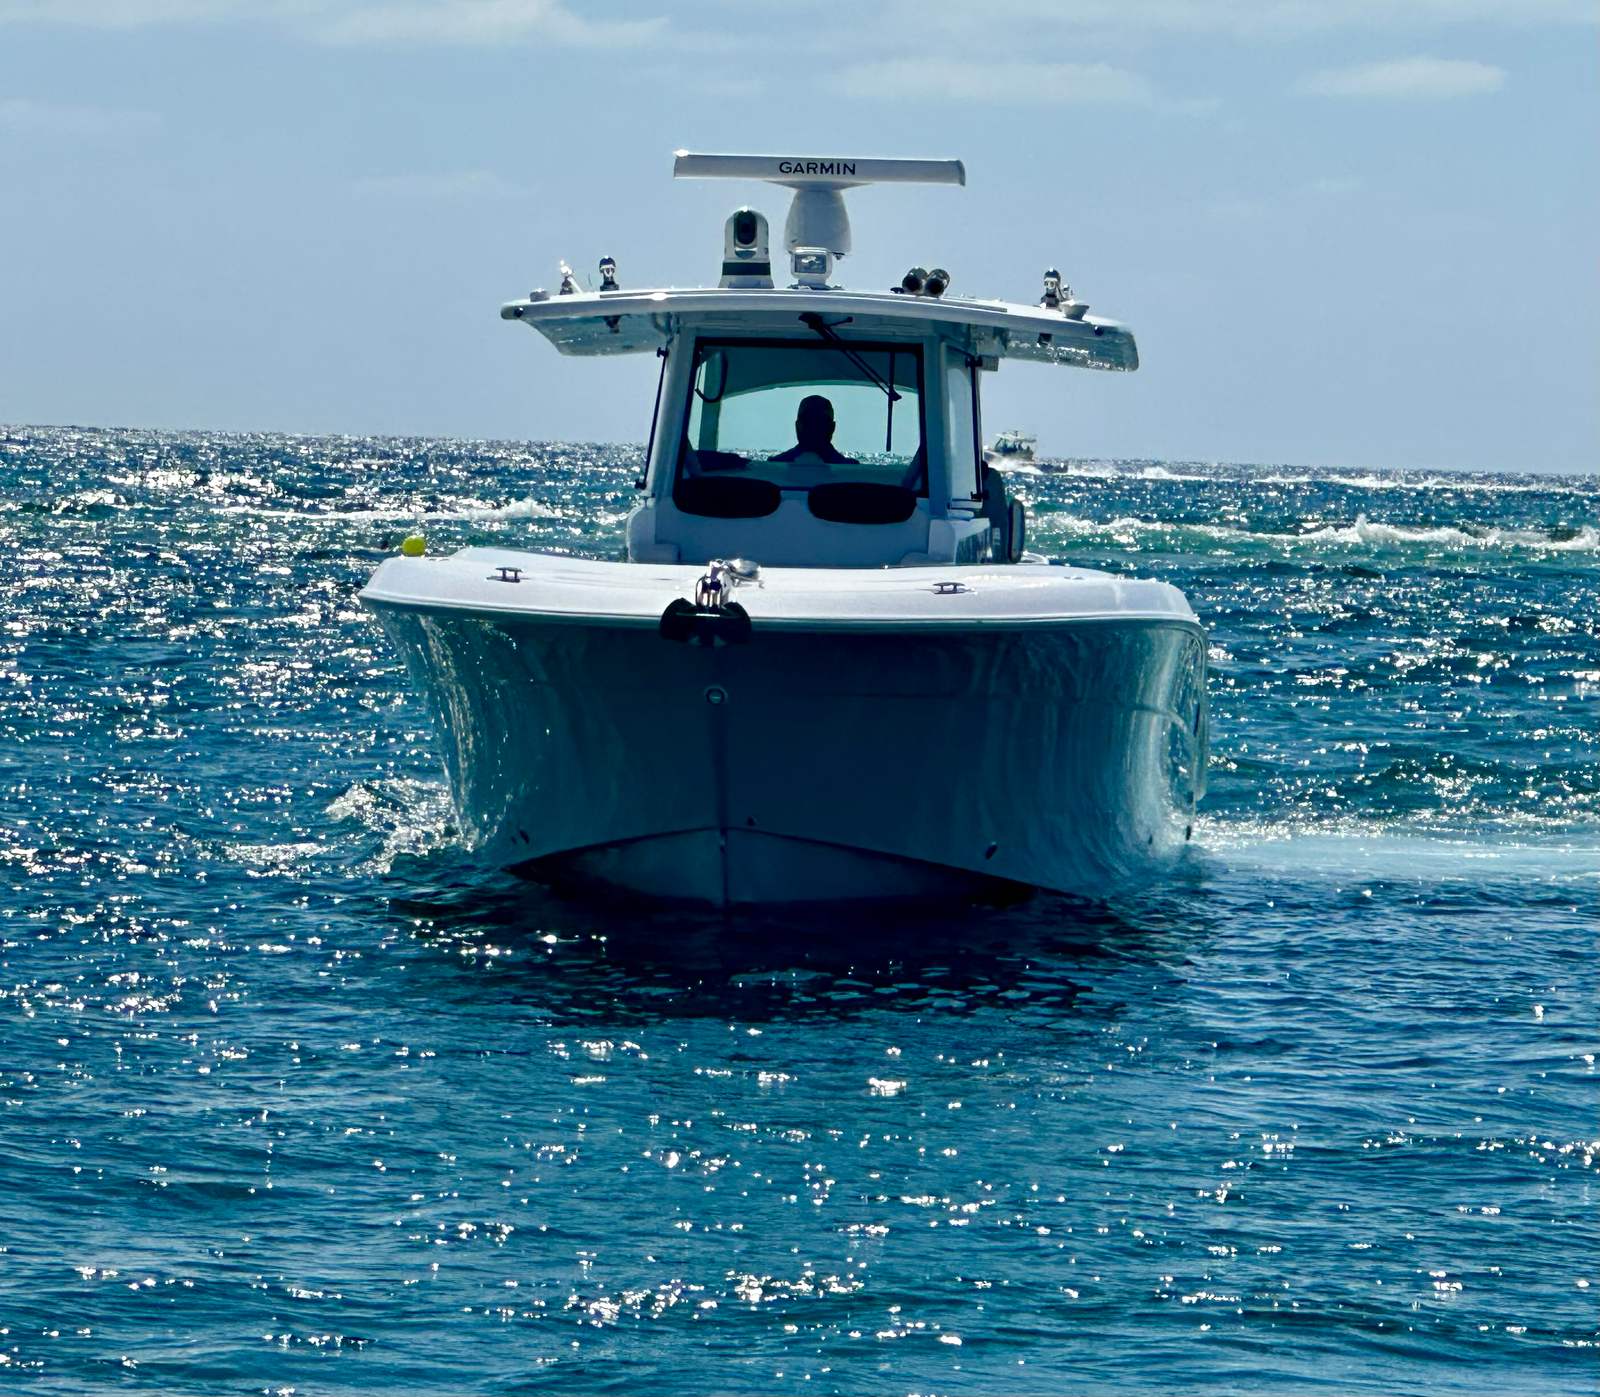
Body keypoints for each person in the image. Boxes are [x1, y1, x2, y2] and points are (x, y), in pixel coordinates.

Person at [770, 394, 858, 465]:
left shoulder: (773, 466)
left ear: (797, 426)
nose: (813, 426)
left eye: (820, 421)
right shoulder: (852, 471)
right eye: (808, 420)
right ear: (832, 428)